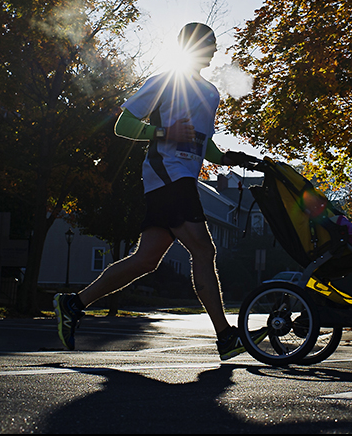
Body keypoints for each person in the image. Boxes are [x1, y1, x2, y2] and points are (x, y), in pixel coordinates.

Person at [53, 22, 264, 360]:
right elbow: (123, 126)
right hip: (167, 174)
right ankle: (225, 336)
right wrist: (163, 131)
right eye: (203, 43)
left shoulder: (211, 94)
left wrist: (232, 158)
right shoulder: (164, 82)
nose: (209, 49)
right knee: (204, 250)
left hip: (183, 177)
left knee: (146, 260)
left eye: (212, 43)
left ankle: (73, 304)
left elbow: (203, 143)